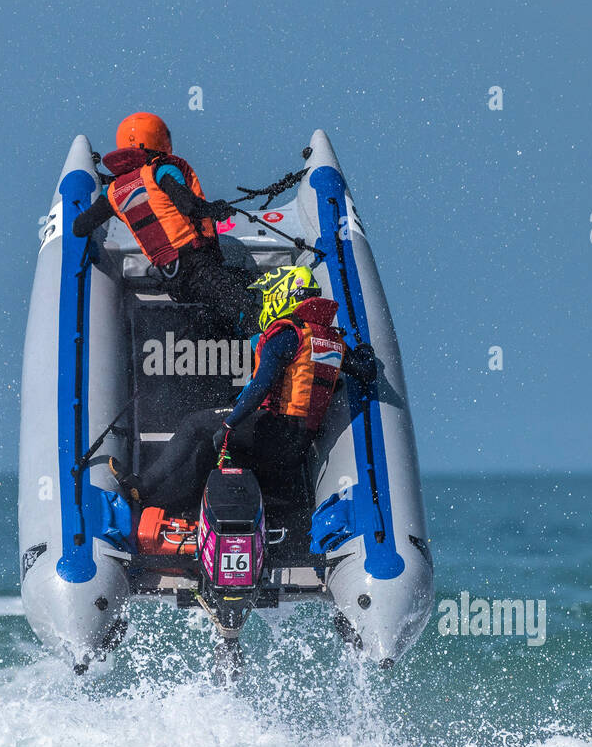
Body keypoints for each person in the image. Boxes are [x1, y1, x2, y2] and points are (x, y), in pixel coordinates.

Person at [110, 265, 377, 512]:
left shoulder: (287, 335)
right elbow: (366, 370)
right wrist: (365, 349)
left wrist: (229, 423)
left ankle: (142, 487)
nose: (263, 304)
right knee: (207, 449)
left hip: (275, 430)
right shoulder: (332, 340)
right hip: (299, 444)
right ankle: (185, 507)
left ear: (281, 295)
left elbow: (261, 386)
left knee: (194, 424)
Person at [71, 112, 254, 334]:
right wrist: (216, 209)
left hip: (174, 280)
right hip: (199, 266)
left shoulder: (113, 191)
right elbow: (189, 206)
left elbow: (80, 227)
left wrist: (86, 185)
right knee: (250, 303)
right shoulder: (162, 169)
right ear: (160, 140)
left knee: (218, 313)